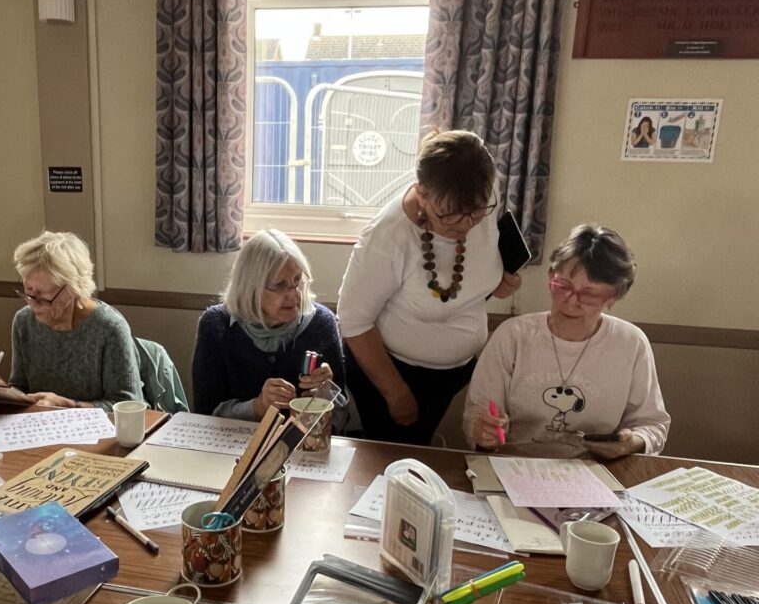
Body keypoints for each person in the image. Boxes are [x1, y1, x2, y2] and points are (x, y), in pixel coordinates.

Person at [337, 129, 521, 445]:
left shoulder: (478, 194)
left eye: (476, 212)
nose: (466, 224)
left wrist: (498, 282)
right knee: (393, 462)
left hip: (453, 373)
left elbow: (463, 281)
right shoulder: (388, 236)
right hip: (395, 375)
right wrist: (396, 393)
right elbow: (353, 321)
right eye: (450, 216)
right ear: (421, 193)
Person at [463, 225, 669, 458]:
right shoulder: (513, 336)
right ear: (551, 277)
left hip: (596, 468)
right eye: (562, 286)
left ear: (613, 297)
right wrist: (484, 431)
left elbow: (652, 424)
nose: (571, 302)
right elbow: (478, 413)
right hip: (515, 464)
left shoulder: (630, 343)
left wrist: (631, 443)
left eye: (589, 294)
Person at [192, 229, 346, 422]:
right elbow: (204, 415)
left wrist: (327, 395)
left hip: (306, 440)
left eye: (297, 280)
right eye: (280, 285)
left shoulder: (321, 323)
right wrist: (257, 407)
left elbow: (341, 419)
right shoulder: (216, 326)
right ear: (250, 287)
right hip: (235, 440)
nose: (295, 295)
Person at [0, 231, 142, 410]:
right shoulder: (24, 321)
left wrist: (69, 405)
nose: (33, 305)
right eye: (28, 292)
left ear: (73, 288)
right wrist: (2, 391)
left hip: (92, 427)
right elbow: (21, 388)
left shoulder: (109, 327)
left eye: (43, 297)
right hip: (39, 423)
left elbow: (128, 405)